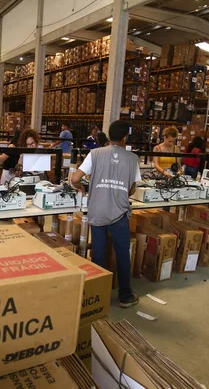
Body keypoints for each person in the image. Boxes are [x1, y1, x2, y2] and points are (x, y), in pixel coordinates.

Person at [70, 120, 141, 308]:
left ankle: (97, 296)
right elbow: (132, 188)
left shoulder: (94, 154)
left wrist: (81, 189)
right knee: (122, 254)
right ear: (125, 137)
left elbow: (75, 178)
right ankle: (125, 296)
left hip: (98, 211)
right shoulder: (133, 159)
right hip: (119, 214)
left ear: (109, 136)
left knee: (99, 254)